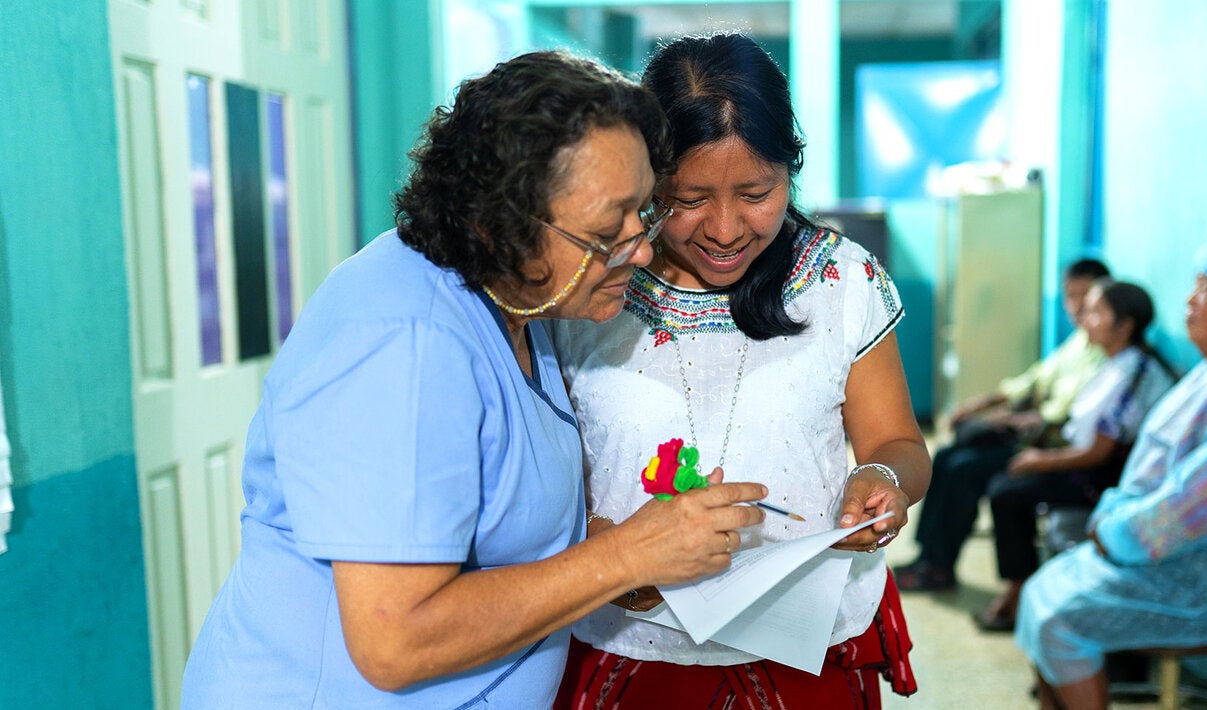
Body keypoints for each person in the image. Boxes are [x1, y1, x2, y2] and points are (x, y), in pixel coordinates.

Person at [181, 51, 769, 708]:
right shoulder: (402, 344)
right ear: (500, 224)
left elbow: (495, 530)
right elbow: (395, 642)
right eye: (608, 233)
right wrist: (629, 556)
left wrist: (630, 549)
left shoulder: (523, 302)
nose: (640, 250)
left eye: (643, 214)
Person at [549, 33, 930, 708]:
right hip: (630, 634)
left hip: (804, 641)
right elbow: (541, 481)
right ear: (644, 179)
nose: (725, 230)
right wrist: (605, 554)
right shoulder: (588, 289)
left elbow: (897, 443)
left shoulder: (839, 279)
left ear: (792, 169)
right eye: (688, 197)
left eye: (756, 192)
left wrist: (885, 480)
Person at [1015, 241, 1207, 710]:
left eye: (1205, 290)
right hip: (1166, 549)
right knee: (1040, 593)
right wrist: (1115, 522)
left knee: (1060, 620)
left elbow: (1195, 505)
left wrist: (1114, 532)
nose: (1189, 301)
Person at [971, 280, 1176, 633]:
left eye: (1097, 312)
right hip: (1085, 463)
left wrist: (1039, 460)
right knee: (1001, 477)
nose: (1086, 318)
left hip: (1104, 480)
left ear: (1124, 326)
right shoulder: (1111, 363)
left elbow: (1098, 453)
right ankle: (1021, 589)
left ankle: (1019, 592)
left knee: (1008, 492)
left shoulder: (1135, 373)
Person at [896, 258, 1111, 592]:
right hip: (1032, 436)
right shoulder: (1079, 344)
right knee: (947, 455)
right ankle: (929, 555)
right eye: (1070, 296)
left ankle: (938, 567)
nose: (1077, 306)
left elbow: (1065, 420)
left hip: (1050, 449)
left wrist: (1012, 420)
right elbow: (1031, 382)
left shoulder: (1106, 357)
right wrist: (978, 406)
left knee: (964, 469)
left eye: (1087, 297)